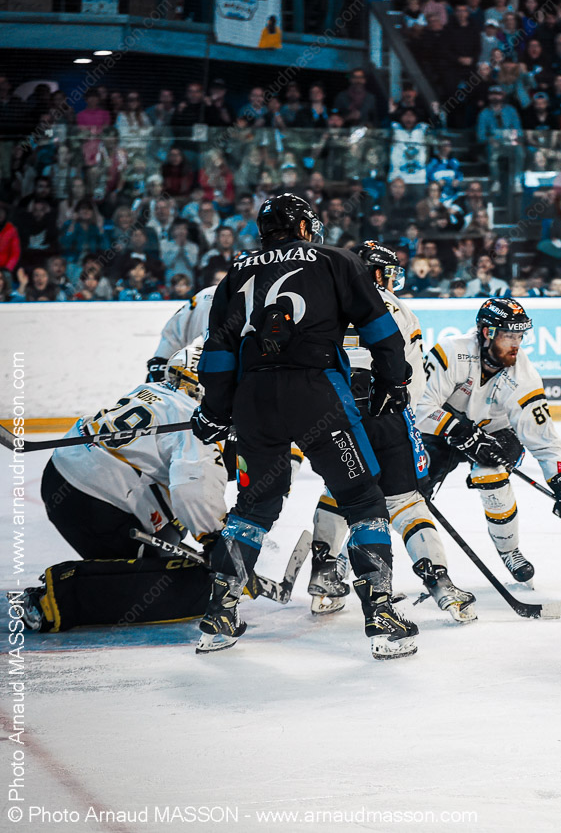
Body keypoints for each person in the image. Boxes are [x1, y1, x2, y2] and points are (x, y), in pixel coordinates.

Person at [193, 193, 417, 660]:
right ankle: (380, 615)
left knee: (253, 507)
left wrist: (215, 410)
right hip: (318, 395)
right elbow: (379, 328)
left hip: (255, 400)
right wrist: (393, 381)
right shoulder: (336, 259)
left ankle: (219, 614)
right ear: (302, 227)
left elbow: (216, 353)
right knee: (362, 498)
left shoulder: (236, 271)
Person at [305, 242, 476, 624]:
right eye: (389, 273)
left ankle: (324, 575)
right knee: (406, 503)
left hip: (329, 414)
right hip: (382, 412)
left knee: (340, 491)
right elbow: (411, 382)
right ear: (377, 273)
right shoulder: (395, 308)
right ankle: (439, 583)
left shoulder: (320, 302)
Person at [17, 346, 227, 632]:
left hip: (59, 478)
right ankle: (54, 603)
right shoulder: (195, 418)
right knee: (164, 582)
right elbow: (192, 487)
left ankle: (123, 569)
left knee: (165, 527)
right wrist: (216, 539)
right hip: (99, 503)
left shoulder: (150, 390)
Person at [414, 299, 561, 584]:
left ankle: (510, 551)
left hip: (496, 434)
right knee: (406, 488)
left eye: (520, 336)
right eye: (509, 335)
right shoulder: (451, 351)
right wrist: (459, 431)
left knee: (490, 475)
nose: (516, 344)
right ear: (487, 332)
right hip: (441, 430)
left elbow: (543, 437)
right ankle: (361, 558)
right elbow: (420, 406)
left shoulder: (523, 375)